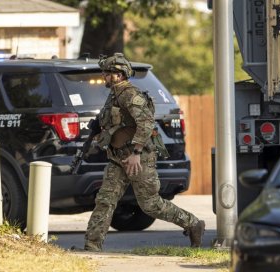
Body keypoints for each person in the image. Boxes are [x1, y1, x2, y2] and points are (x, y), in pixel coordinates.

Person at [82, 53, 205, 252]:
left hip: (138, 159)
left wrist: (136, 152)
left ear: (119, 75)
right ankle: (91, 246)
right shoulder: (114, 94)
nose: (104, 76)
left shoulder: (131, 94)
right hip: (118, 158)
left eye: (108, 73)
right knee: (105, 200)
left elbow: (147, 123)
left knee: (150, 205)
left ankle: (192, 223)